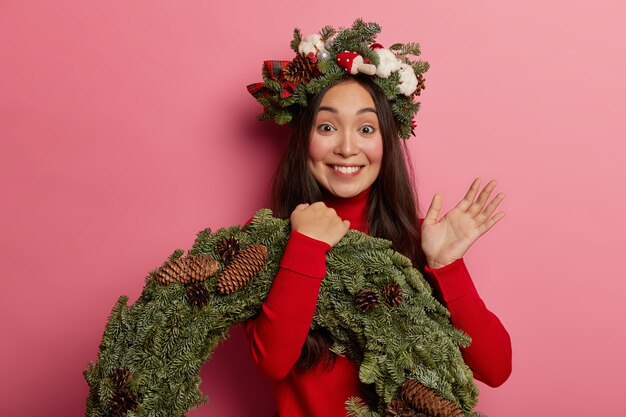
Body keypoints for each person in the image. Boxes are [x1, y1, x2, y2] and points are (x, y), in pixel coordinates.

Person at [244, 20, 512, 417]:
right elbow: (273, 360)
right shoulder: (267, 246)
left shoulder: (418, 241)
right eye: (328, 127)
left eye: (366, 128)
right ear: (304, 139)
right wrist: (305, 247)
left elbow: (496, 369)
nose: (348, 147)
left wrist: (447, 266)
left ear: (386, 142)